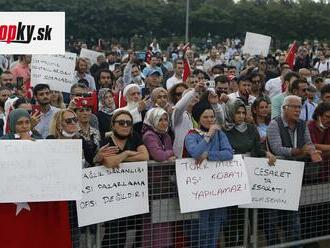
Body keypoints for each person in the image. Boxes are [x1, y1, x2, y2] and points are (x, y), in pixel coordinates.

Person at [184, 102, 233, 248]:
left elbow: (228, 153)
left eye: (212, 117)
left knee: (215, 228)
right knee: (200, 229)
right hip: (198, 189)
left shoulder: (220, 134)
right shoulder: (191, 135)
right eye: (205, 117)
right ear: (198, 118)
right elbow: (195, 152)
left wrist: (209, 155)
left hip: (216, 187)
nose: (210, 120)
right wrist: (208, 135)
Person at [267, 95, 322, 162]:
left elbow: (309, 143)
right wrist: (300, 151)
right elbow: (277, 149)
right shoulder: (274, 124)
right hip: (282, 164)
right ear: (284, 108)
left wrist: (312, 151)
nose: (297, 110)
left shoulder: (302, 124)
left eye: (299, 107)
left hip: (300, 163)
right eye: (294, 107)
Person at [172, 81, 205, 158]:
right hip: (182, 159)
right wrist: (194, 91)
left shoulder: (198, 117)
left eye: (197, 97)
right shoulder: (179, 116)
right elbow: (178, 108)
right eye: (191, 96)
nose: (195, 98)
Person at [75, 102, 100, 167]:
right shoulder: (73, 132)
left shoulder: (96, 132)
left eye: (88, 110)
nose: (85, 113)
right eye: (81, 110)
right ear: (76, 113)